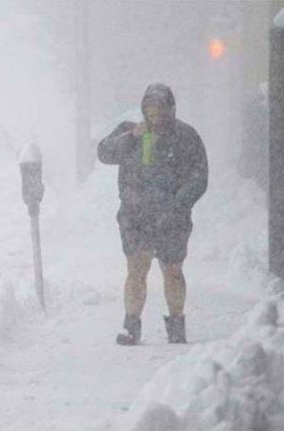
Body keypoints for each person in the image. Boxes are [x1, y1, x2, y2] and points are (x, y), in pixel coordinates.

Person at [98, 83, 208, 345]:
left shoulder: (185, 136)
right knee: (137, 268)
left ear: (170, 108)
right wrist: (132, 137)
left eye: (160, 106)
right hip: (136, 215)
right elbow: (104, 152)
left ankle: (176, 324)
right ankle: (131, 326)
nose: (155, 112)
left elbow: (199, 176)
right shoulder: (130, 132)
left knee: (172, 270)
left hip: (172, 217)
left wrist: (178, 203)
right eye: (149, 106)